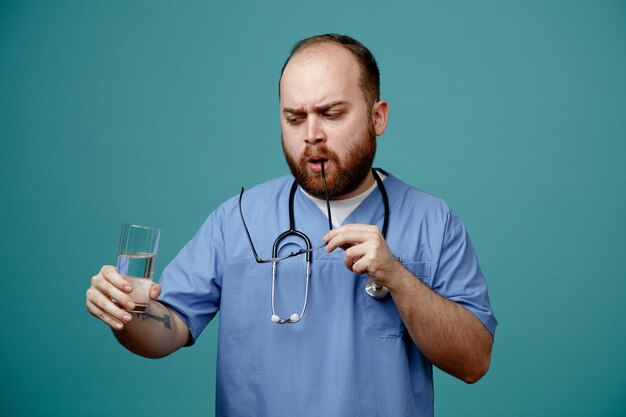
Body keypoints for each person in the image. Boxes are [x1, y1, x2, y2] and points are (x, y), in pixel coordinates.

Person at [86, 34, 497, 417]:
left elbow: (474, 362)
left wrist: (399, 279)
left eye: (331, 113)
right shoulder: (239, 219)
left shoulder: (433, 221)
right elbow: (168, 328)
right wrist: (127, 312)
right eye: (294, 118)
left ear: (378, 117)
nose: (311, 135)